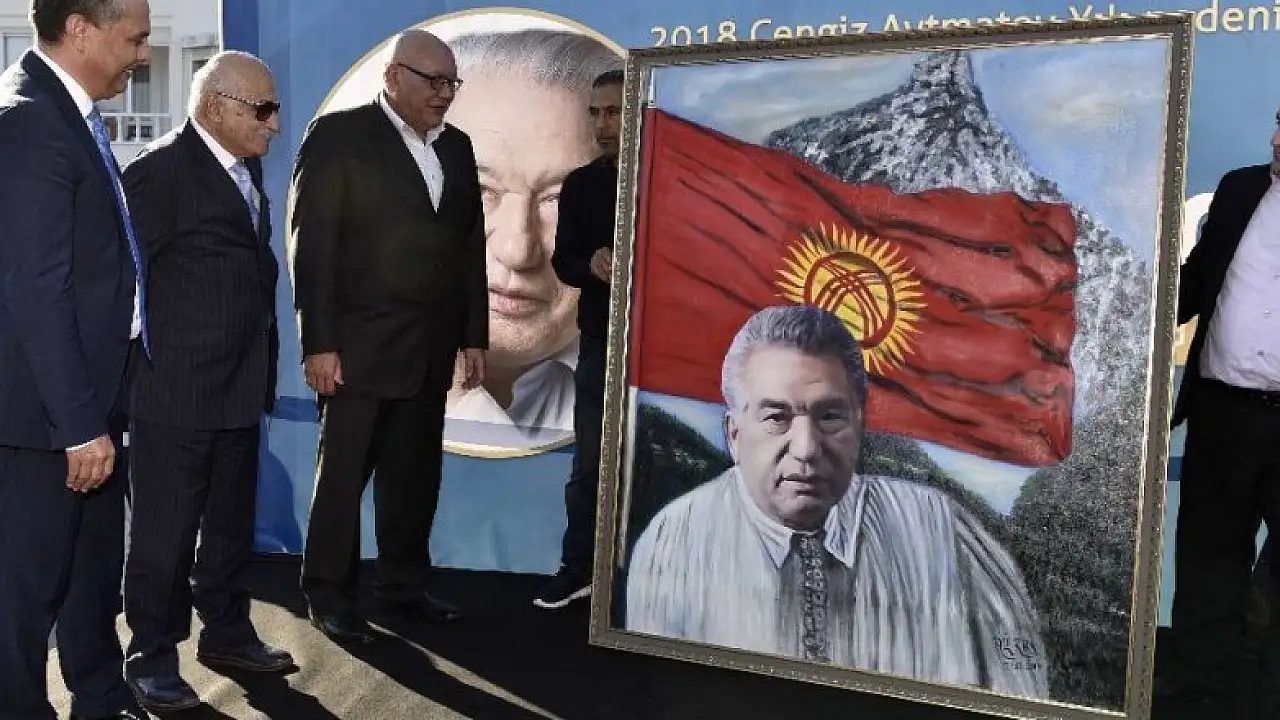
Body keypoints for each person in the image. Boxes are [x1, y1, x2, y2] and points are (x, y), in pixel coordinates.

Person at [625, 305, 1049, 698]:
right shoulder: (672, 543)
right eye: (776, 418)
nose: (806, 448)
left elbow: (1023, 686)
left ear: (859, 426)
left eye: (829, 417)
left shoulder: (942, 533)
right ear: (734, 435)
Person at [287, 28, 487, 645]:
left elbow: (467, 248)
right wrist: (319, 344)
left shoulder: (457, 147)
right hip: (356, 350)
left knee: (415, 478)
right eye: (434, 81)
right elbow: (312, 246)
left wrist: (473, 336)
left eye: (452, 83)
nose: (445, 93)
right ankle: (329, 595)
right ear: (394, 77)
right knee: (343, 481)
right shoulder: (339, 136)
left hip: (430, 348)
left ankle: (402, 586)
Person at [118, 51, 291, 711]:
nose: (275, 124)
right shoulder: (158, 172)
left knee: (228, 527)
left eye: (274, 108)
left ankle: (227, 633)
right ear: (216, 106)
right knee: (163, 539)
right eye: (263, 109)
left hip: (241, 387)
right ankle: (151, 657)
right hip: (176, 394)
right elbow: (122, 282)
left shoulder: (246, 167)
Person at [0, 1, 150, 718]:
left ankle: (100, 696)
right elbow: (36, 288)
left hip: (91, 400)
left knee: (92, 571)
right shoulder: (29, 121)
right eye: (136, 38)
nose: (143, 54)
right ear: (81, 29)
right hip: (46, 419)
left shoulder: (69, 113)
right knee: (22, 595)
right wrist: (78, 424)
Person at [441, 29, 622, 450]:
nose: (518, 251)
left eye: (556, 199)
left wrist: (460, 403)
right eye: (479, 189)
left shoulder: (636, 399)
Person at [1163, 115, 1280, 714]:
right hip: (1221, 412)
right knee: (1208, 560)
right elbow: (1196, 280)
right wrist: (1138, 306)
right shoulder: (1239, 189)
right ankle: (1195, 691)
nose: (1278, 139)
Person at [534, 69, 624, 609]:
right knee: (589, 462)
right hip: (600, 342)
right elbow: (563, 260)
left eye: (613, 111)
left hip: (665, 344)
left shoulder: (676, 177)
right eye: (595, 113)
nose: (602, 124)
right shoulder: (583, 183)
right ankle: (579, 568)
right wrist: (590, 263)